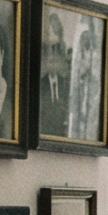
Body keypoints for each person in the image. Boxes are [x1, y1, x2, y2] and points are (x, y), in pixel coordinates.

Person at [37, 8, 73, 140]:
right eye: (48, 48)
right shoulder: (39, 86)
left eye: (55, 48)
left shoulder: (66, 85)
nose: (51, 55)